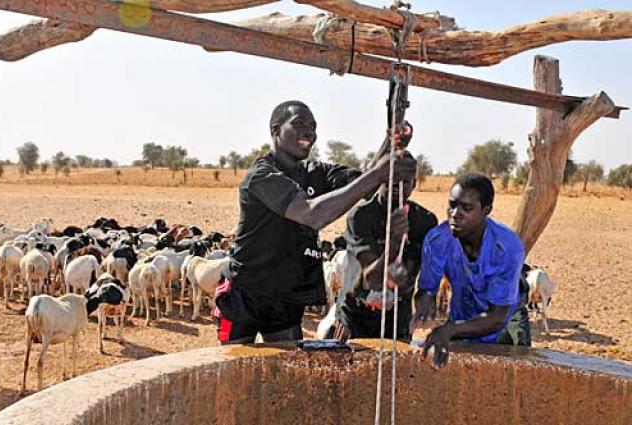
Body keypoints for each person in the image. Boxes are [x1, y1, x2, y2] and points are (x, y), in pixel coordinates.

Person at [214, 100, 417, 344]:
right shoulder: (262, 176)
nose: (309, 131)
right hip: (246, 294)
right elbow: (313, 215)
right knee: (233, 368)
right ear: (275, 130)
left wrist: (390, 141)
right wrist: (378, 173)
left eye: (312, 126)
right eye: (298, 124)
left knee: (287, 370)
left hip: (287, 295)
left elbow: (363, 184)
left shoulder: (315, 171)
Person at [412, 172, 530, 369]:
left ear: (486, 210)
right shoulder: (437, 240)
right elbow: (427, 290)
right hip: (462, 317)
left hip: (505, 324)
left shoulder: (506, 247)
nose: (454, 214)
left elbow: (496, 318)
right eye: (452, 204)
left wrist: (450, 330)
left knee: (509, 385)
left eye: (466, 208)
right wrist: (424, 306)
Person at [333, 152, 438, 341]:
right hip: (356, 314)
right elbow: (372, 279)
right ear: (380, 180)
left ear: (414, 185)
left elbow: (428, 272)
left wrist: (425, 301)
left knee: (398, 367)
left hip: (398, 318)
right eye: (391, 179)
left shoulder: (425, 221)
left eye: (404, 182)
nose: (397, 187)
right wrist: (395, 242)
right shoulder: (361, 216)